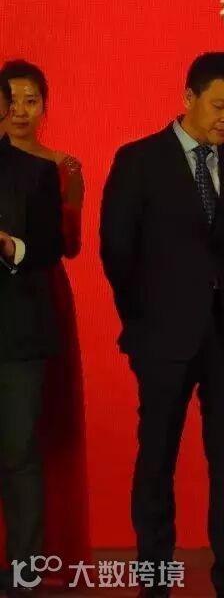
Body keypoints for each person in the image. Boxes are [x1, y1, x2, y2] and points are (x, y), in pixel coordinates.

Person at [99, 52, 224, 598]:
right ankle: (154, 574)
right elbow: (117, 251)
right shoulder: (139, 160)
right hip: (162, 335)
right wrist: (142, 321)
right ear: (188, 97)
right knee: (157, 457)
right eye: (218, 105)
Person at [0, 60, 91, 582]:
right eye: (10, 100)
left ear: (45, 107)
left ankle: (28, 568)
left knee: (26, 442)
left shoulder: (58, 168)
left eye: (30, 100)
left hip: (35, 304)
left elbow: (67, 244)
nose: (19, 111)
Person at [0, 76, 63, 598]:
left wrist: (10, 246)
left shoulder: (36, 172)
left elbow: (47, 248)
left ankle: (25, 571)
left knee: (17, 453)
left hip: (15, 332)